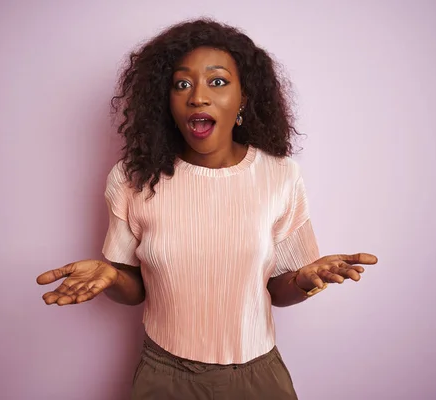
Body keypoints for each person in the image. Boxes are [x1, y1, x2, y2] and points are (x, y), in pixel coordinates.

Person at [36, 18, 378, 400]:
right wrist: (112, 276)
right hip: (162, 375)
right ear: (165, 101)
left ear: (243, 97)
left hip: (256, 376)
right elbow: (136, 292)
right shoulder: (133, 179)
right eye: (182, 84)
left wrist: (303, 280)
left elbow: (277, 293)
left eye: (217, 81)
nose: (197, 96)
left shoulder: (280, 176)